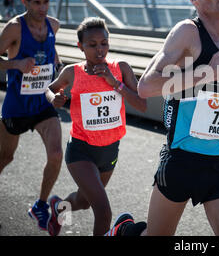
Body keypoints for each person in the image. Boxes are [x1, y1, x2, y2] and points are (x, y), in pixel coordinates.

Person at [106, 0, 219, 236]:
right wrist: (206, 73)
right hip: (183, 159)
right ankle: (125, 233)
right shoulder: (187, 32)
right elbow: (146, 86)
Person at [44, 17, 147, 236]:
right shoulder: (73, 72)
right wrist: (54, 98)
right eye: (92, 45)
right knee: (103, 211)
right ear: (80, 46)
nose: (100, 50)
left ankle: (59, 208)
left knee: (84, 201)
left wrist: (115, 83)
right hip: (81, 150)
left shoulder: (121, 68)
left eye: (104, 43)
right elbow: (49, 89)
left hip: (109, 150)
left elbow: (142, 104)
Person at [0, 0, 63, 231]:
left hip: (43, 103)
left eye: (46, 2)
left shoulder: (54, 25)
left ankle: (41, 205)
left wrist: (59, 68)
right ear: (25, 1)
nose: (42, 8)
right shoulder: (14, 28)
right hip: (17, 106)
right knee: (5, 156)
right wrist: (16, 64)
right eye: (36, 2)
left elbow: (53, 55)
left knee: (56, 155)